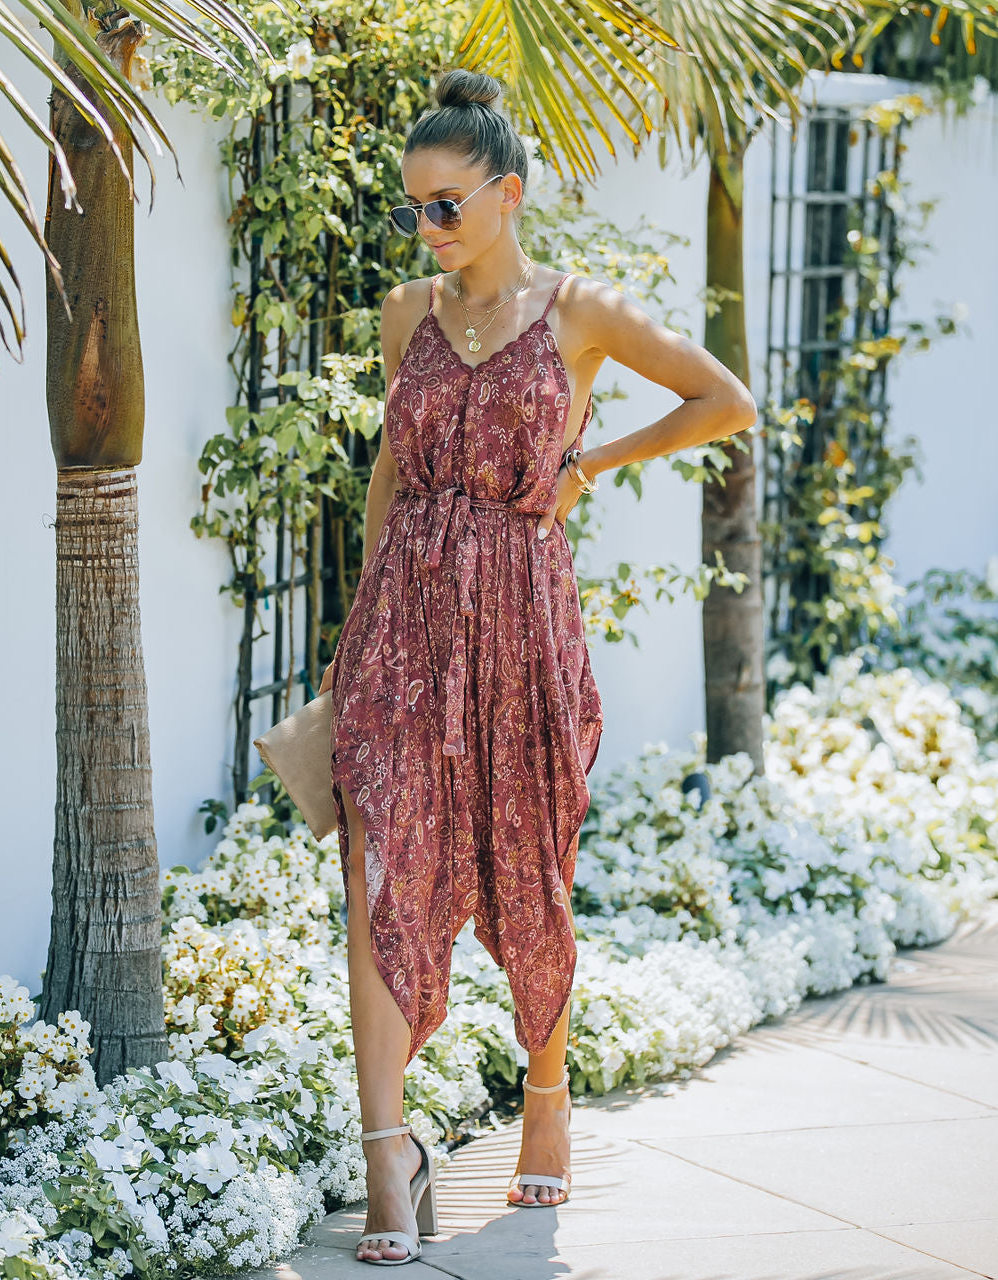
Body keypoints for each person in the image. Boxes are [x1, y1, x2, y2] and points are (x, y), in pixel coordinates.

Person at [317, 67, 757, 1267]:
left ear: (507, 194)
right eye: (412, 206)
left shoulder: (581, 311)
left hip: (521, 621)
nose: (428, 226)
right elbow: (390, 472)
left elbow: (723, 400)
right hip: (404, 630)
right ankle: (388, 1155)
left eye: (446, 204)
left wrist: (588, 460)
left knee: (529, 862)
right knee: (380, 869)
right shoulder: (405, 313)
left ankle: (545, 1094)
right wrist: (358, 638)